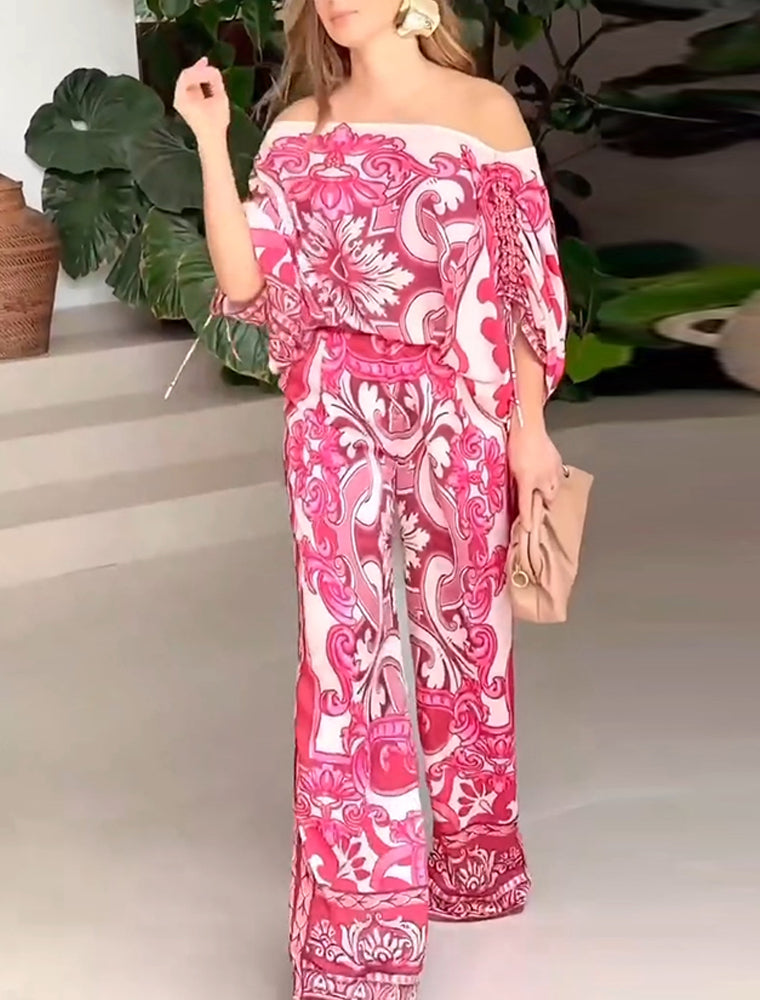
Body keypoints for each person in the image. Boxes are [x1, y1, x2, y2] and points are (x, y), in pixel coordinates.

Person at [174, 0, 566, 994]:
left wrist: (528, 432)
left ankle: (472, 860)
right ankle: (357, 929)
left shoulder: (481, 112)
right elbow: (248, 279)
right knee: (342, 652)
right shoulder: (298, 128)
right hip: (332, 409)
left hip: (459, 402)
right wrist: (212, 142)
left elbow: (521, 284)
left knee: (466, 639)